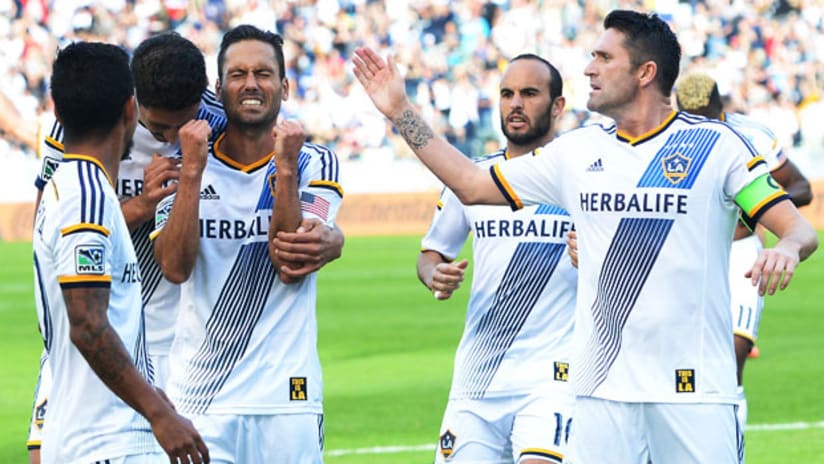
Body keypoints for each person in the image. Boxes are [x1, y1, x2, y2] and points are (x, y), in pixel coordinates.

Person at [353, 9, 818, 464]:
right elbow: (471, 185)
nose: (588, 68)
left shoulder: (719, 148)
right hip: (599, 394)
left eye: (603, 58)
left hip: (693, 391)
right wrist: (400, 111)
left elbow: (795, 226)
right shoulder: (576, 153)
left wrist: (788, 249)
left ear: (645, 72)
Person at [26, 31, 344, 463]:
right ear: (131, 105)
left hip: (173, 341)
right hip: (91, 315)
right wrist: (142, 205)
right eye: (158, 128)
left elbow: (273, 173)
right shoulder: (86, 121)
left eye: (184, 124)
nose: (174, 138)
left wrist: (329, 234)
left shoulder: (216, 118)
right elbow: (49, 222)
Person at [152, 25, 343, 463]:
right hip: (200, 400)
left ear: (285, 86)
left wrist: (286, 171)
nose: (251, 84)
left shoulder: (315, 162)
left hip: (286, 398)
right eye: (237, 74)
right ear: (219, 89)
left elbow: (291, 260)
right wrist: (194, 175)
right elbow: (174, 267)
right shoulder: (183, 164)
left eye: (264, 73)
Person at [31, 40, 208, 464]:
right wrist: (159, 412)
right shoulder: (87, 197)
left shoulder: (77, 188)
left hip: (91, 427)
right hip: (104, 439)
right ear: (131, 110)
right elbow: (89, 327)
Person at [418, 54, 576, 464]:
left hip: (552, 376)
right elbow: (431, 254)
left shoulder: (579, 181)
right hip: (478, 376)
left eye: (529, 93)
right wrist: (435, 274)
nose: (515, 104)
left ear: (557, 106)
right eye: (507, 94)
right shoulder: (471, 179)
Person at [675, 72, 813, 435]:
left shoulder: (752, 136)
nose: (697, 127)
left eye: (704, 119)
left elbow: (799, 187)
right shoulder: (668, 137)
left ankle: (728, 446)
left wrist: (755, 206)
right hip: (688, 256)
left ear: (720, 110)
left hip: (740, 253)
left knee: (733, 353)